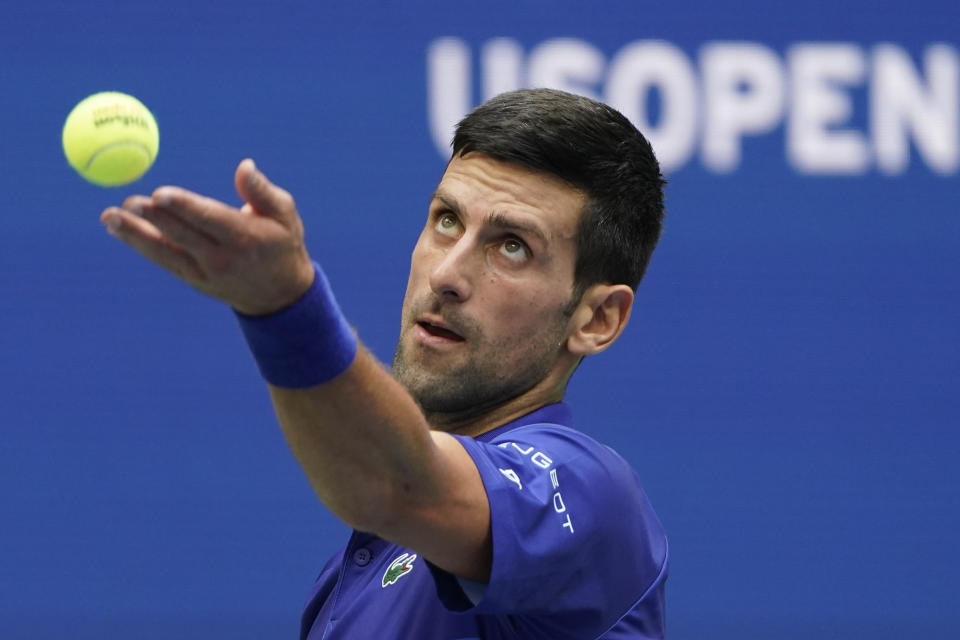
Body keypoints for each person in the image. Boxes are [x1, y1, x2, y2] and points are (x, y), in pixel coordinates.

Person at [101, 88, 669, 639]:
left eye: (512, 245)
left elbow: (394, 485)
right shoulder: (362, 568)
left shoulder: (591, 496)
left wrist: (285, 308)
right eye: (447, 219)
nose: (446, 275)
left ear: (597, 319)